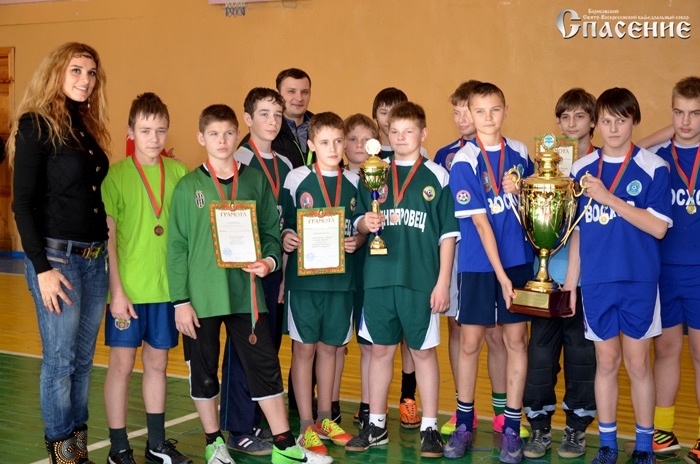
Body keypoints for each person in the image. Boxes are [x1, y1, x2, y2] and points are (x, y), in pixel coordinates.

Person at [166, 104, 332, 464]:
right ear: (201, 138)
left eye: (228, 133)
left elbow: (271, 232)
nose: (222, 140)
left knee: (264, 366)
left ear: (235, 135)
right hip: (202, 297)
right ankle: (214, 443)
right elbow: (176, 247)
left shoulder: (254, 180)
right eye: (214, 134)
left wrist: (270, 261)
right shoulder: (188, 187)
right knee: (204, 373)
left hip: (247, 294)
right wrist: (180, 301)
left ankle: (284, 445)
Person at [7, 42, 110, 464]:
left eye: (91, 72)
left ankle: (78, 451)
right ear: (56, 73)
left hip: (94, 260)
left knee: (83, 362)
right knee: (60, 362)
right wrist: (42, 268)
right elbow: (22, 203)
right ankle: (62, 454)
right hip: (58, 261)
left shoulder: (83, 125)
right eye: (76, 70)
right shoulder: (36, 124)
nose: (85, 79)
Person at [564, 88, 672, 464]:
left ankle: (643, 447)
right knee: (606, 362)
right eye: (606, 121)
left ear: (634, 121)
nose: (613, 128)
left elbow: (658, 227)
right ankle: (607, 444)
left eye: (621, 120)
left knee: (638, 364)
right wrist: (570, 283)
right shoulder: (580, 169)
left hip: (638, 279)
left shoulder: (653, 167)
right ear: (597, 123)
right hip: (597, 281)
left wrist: (609, 197)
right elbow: (578, 231)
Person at [346, 101, 459, 458]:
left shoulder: (437, 176)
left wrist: (442, 283)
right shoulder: (374, 171)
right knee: (380, 351)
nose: (400, 137)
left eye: (408, 131)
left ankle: (430, 427)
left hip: (420, 280)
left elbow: (448, 235)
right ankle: (376, 424)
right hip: (379, 279)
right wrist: (366, 223)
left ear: (423, 134)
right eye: (394, 131)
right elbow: (358, 220)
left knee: (423, 353)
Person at [100, 93, 191, 464]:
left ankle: (156, 444)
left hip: (167, 292)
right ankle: (118, 448)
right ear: (131, 131)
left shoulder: (180, 174)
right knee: (121, 368)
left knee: (157, 366)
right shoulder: (116, 176)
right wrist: (117, 292)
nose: (154, 138)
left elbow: (187, 235)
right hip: (129, 293)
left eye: (160, 130)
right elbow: (109, 239)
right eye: (145, 130)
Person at [444, 82, 533, 463]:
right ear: (470, 114)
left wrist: (522, 190)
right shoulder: (464, 161)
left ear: (505, 110)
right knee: (470, 343)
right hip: (481, 266)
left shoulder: (521, 153)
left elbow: (535, 209)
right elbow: (480, 225)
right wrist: (501, 276)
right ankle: (464, 422)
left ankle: (511, 426)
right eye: (479, 111)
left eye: (495, 109)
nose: (488, 117)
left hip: (518, 261)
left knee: (516, 342)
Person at [435, 79, 516, 439]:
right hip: (467, 259)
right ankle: (463, 411)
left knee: (501, 338)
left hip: (506, 258)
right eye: (460, 113)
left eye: (467, 112)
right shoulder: (451, 158)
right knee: (465, 336)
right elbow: (452, 216)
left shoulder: (516, 153)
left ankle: (502, 412)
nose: (464, 119)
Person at [279, 112, 365, 454]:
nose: (333, 148)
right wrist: (287, 236)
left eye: (338, 141)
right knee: (304, 350)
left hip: (341, 282)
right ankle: (305, 426)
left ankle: (326, 418)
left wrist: (358, 240)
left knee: (331, 348)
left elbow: (360, 225)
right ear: (311, 144)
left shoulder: (355, 181)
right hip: (305, 282)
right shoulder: (296, 178)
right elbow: (284, 221)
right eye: (325, 142)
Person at [522, 88, 598, 460]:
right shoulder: (544, 166)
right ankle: (539, 428)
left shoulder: (600, 167)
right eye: (565, 117)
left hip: (584, 282)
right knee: (540, 357)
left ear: (593, 122)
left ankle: (576, 430)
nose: (571, 124)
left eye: (579, 116)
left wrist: (572, 282)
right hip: (547, 279)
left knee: (582, 358)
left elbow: (586, 228)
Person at [219, 87, 293, 456]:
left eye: (277, 115)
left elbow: (286, 222)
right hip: (243, 269)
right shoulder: (236, 158)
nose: (272, 121)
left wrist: (283, 268)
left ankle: (259, 418)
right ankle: (237, 427)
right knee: (243, 347)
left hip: (273, 267)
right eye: (264, 114)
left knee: (267, 347)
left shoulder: (286, 165)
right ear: (247, 119)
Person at [643, 76, 700, 462]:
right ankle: (663, 430)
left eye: (695, 114)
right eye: (679, 112)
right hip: (663, 270)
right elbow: (633, 149)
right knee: (665, 350)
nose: (686, 121)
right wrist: (670, 134)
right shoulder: (658, 158)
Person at [342, 113, 378, 427]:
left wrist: (362, 236)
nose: (358, 145)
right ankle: (329, 405)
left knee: (368, 343)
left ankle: (367, 406)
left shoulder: (380, 179)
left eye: (366, 139)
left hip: (369, 272)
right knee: (336, 344)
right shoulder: (332, 178)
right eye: (352, 138)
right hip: (338, 273)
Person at [240, 68, 314, 168]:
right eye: (291, 91)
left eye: (305, 92)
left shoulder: (323, 128)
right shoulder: (263, 135)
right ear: (277, 93)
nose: (299, 98)